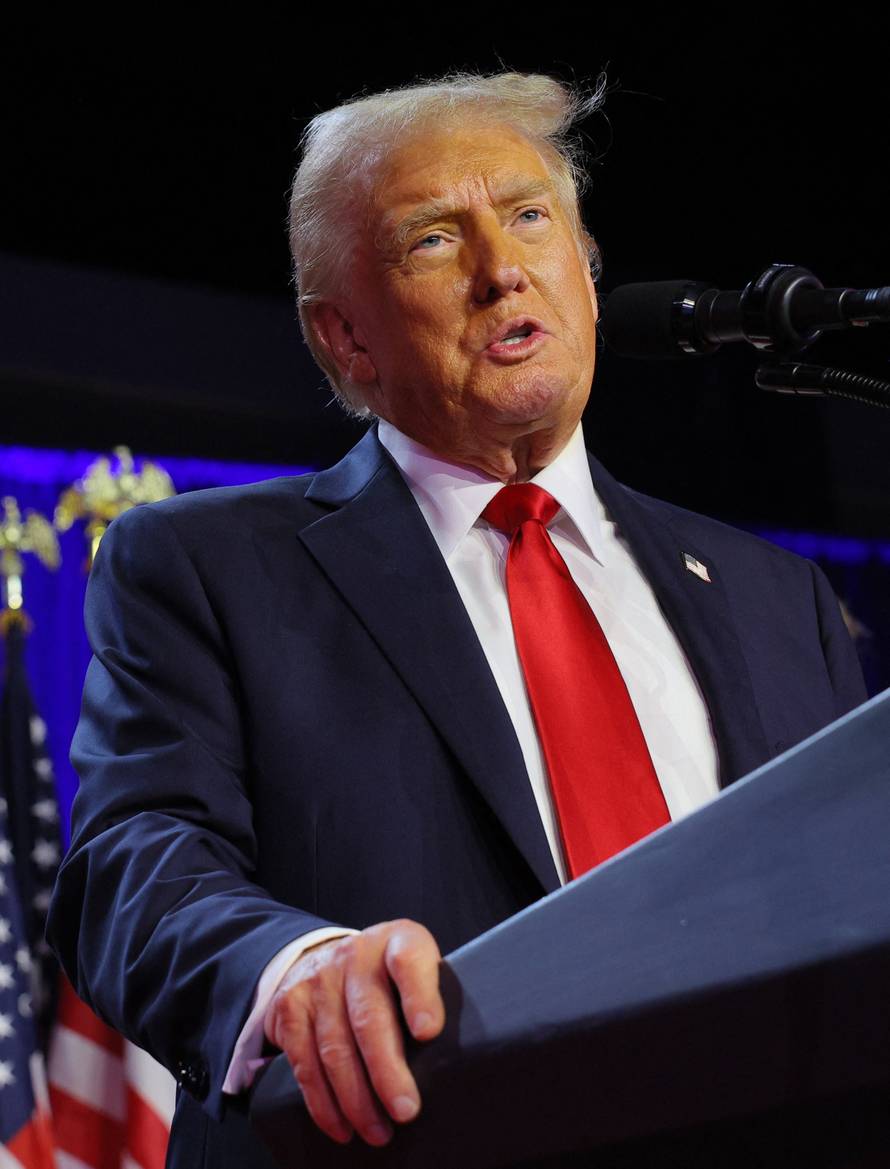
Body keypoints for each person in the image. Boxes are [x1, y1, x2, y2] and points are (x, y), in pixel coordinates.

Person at [47, 73, 866, 1169]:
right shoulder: (203, 564)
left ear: (584, 271)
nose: (500, 269)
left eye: (529, 216)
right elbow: (131, 862)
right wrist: (295, 972)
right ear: (343, 336)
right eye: (432, 240)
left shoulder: (775, 595)